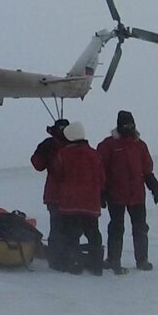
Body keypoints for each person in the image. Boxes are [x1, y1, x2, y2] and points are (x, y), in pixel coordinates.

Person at [98, 110, 158, 273]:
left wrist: (154, 186)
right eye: (125, 124)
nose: (129, 127)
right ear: (119, 125)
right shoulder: (108, 145)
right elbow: (100, 170)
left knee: (140, 227)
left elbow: (147, 169)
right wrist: (101, 192)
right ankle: (113, 259)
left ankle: (142, 260)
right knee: (117, 228)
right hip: (116, 195)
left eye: (131, 124)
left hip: (137, 195)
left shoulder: (140, 145)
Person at [48, 121, 105, 275]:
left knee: (72, 234)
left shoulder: (63, 154)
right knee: (93, 233)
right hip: (91, 203)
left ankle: (75, 263)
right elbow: (101, 178)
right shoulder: (95, 155)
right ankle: (97, 264)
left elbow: (57, 174)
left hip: (71, 203)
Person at [32, 118, 71, 271]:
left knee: (58, 227)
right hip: (66, 194)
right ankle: (63, 258)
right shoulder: (72, 143)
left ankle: (57, 259)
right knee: (66, 227)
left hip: (56, 194)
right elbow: (38, 164)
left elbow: (37, 164)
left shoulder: (51, 144)